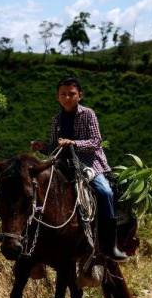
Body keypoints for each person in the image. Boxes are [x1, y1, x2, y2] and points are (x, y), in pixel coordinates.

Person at [30, 76, 127, 261]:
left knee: (105, 192)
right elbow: (54, 147)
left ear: (79, 96)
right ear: (57, 97)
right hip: (62, 164)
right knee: (38, 185)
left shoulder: (88, 114)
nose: (67, 97)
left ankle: (110, 244)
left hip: (89, 163)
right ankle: (34, 240)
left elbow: (96, 142)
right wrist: (42, 146)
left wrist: (73, 142)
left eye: (71, 94)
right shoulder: (56, 120)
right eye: (63, 94)